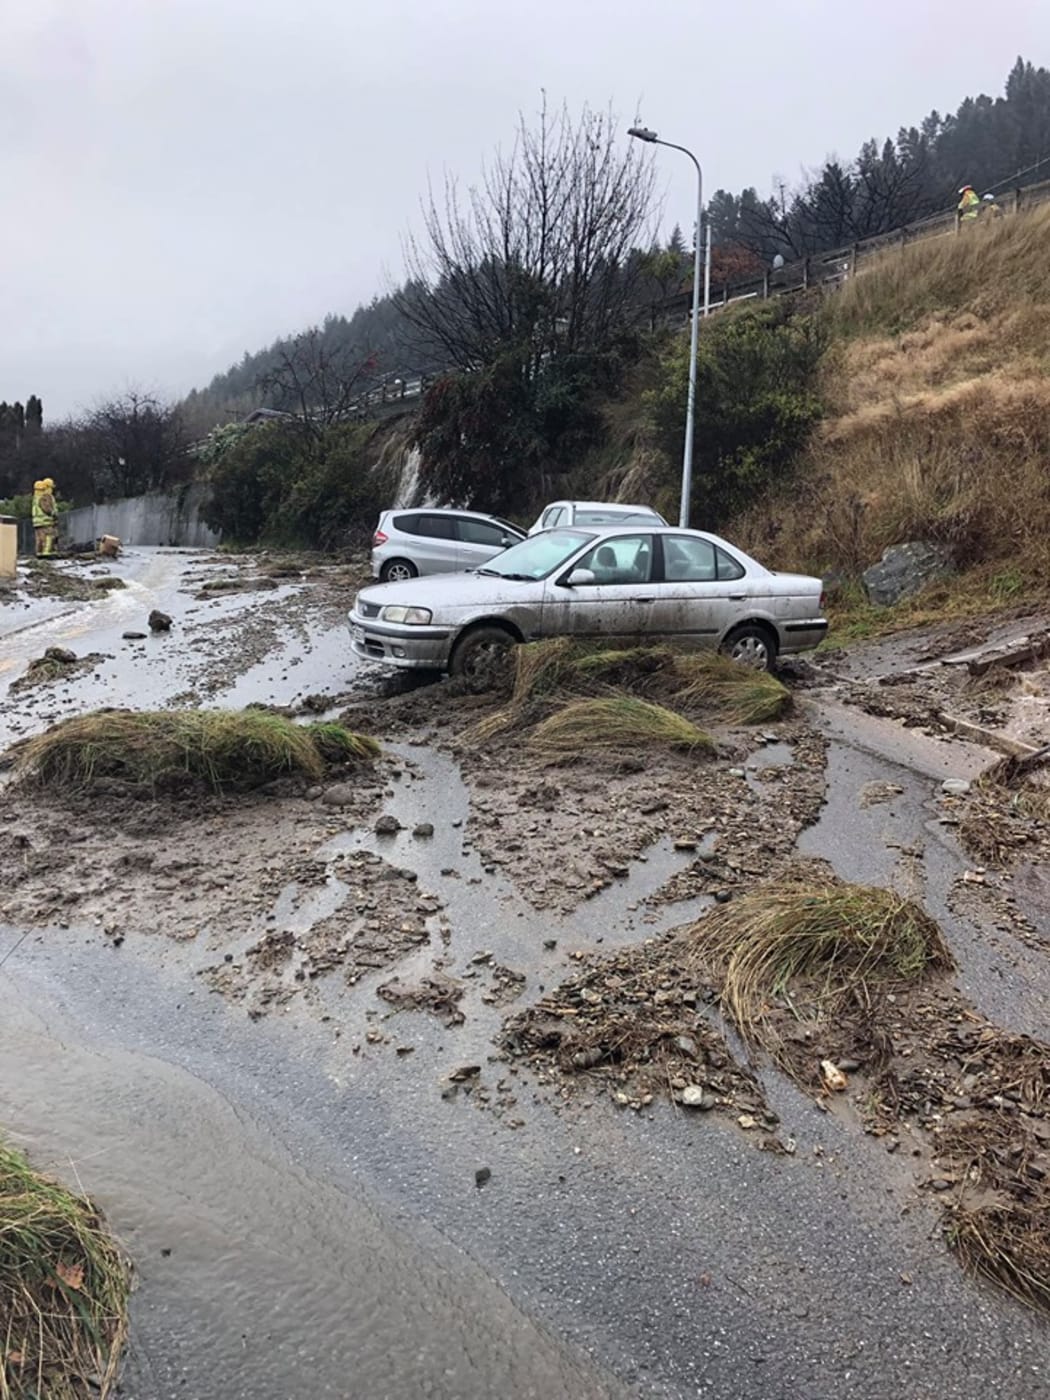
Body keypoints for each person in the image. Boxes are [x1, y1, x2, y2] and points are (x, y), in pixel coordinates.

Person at [31, 478, 58, 557]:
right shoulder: (45, 497)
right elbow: (46, 508)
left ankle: (39, 553)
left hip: (37, 522)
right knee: (49, 536)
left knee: (39, 539)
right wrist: (54, 514)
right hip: (45, 521)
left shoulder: (35, 498)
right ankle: (47, 553)